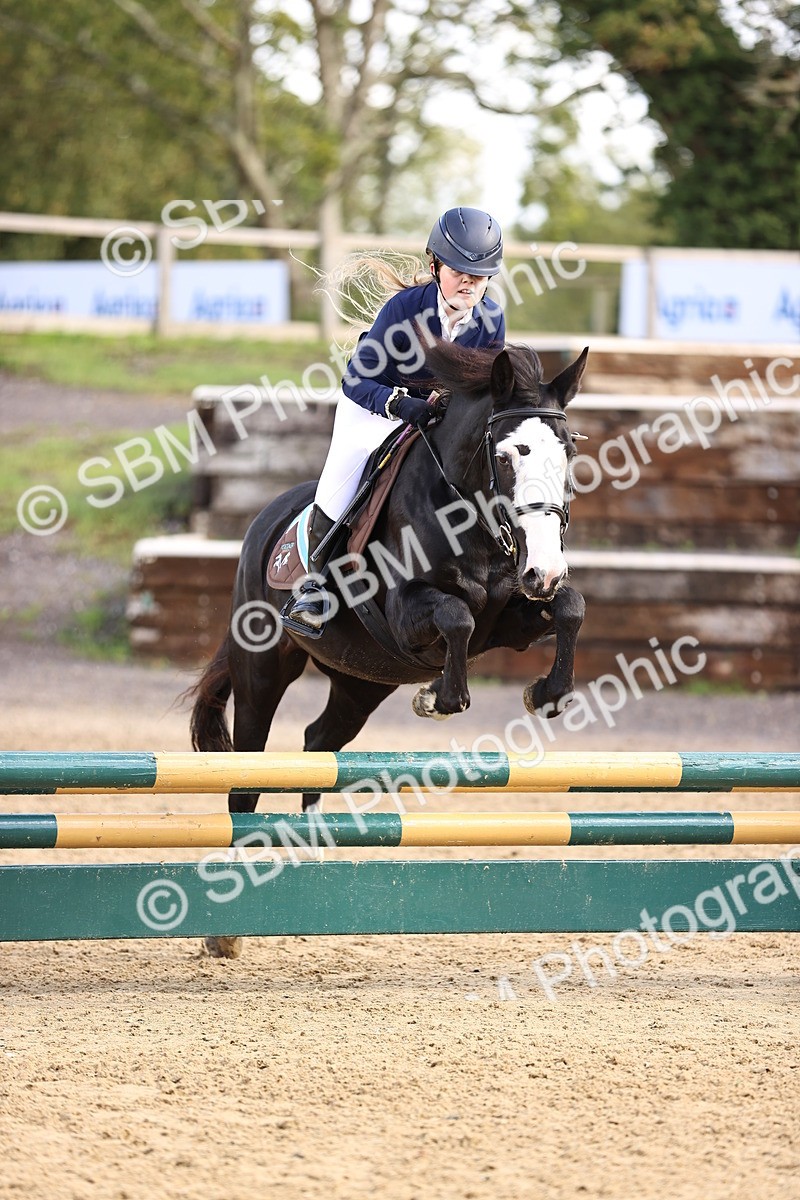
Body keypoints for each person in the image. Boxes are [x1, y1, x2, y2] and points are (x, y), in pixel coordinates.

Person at [288, 206, 506, 629]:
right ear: (435, 266)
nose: (470, 282)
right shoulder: (403, 309)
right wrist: (399, 405)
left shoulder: (491, 319)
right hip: (375, 406)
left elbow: (487, 387)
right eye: (460, 270)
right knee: (343, 478)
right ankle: (315, 587)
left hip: (437, 415)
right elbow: (356, 380)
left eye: (479, 275)